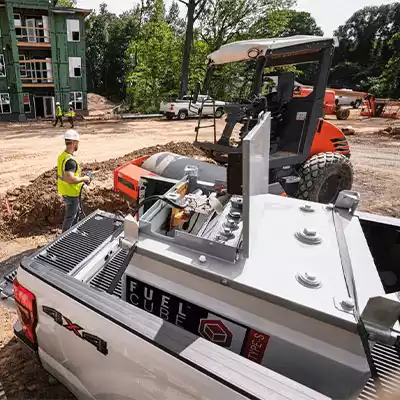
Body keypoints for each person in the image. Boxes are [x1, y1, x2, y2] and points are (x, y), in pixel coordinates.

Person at [57, 129, 90, 232]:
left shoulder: (63, 156)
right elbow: (70, 179)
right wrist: (84, 178)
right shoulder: (70, 161)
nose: (78, 145)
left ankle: (74, 232)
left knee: (75, 213)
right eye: (77, 143)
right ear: (74, 143)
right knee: (70, 217)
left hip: (66, 191)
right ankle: (65, 239)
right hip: (71, 193)